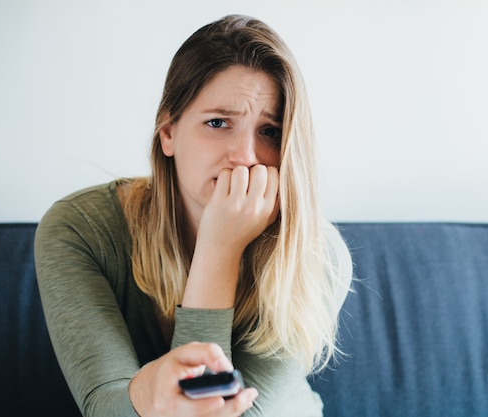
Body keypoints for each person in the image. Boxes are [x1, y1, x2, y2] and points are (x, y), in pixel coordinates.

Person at [35, 14, 352, 417]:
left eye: (269, 131)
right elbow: (104, 407)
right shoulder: (78, 230)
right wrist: (150, 391)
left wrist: (220, 248)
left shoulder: (318, 256)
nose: (245, 157)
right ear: (168, 131)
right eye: (218, 123)